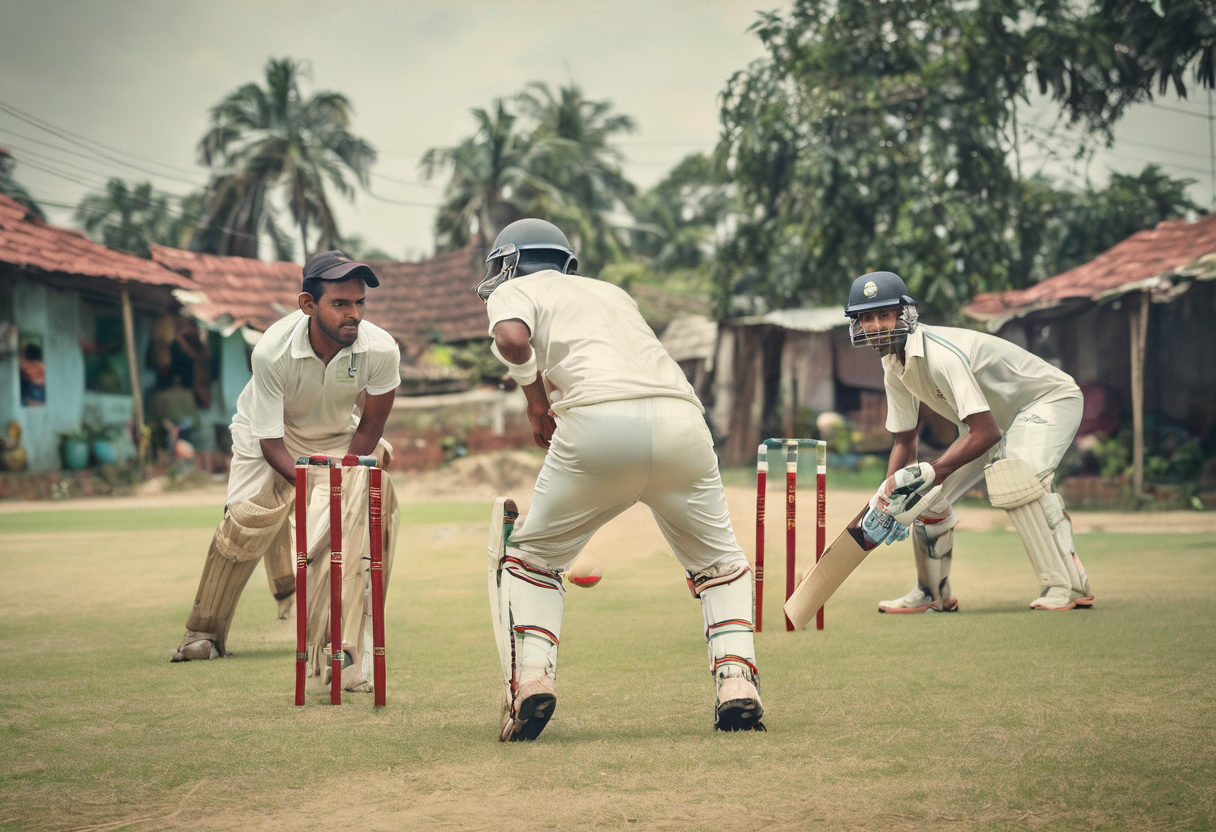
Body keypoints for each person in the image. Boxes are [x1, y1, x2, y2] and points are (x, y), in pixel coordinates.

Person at [481, 218, 763, 741]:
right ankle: (737, 681)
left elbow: (513, 340)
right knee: (721, 564)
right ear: (567, 263)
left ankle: (533, 678)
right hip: (683, 422)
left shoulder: (515, 289)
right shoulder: (611, 292)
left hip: (599, 423)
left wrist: (535, 399)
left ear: (510, 264)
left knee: (534, 559)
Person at [171, 251, 401, 696]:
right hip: (267, 433)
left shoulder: (380, 348)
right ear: (308, 305)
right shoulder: (272, 350)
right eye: (340, 304)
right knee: (247, 521)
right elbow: (271, 442)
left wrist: (343, 479)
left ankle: (346, 651)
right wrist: (309, 483)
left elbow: (371, 425)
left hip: (339, 436)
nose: (354, 314)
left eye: (359, 303)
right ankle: (204, 633)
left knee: (351, 532)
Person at [847, 271, 1093, 613]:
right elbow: (904, 441)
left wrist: (933, 472)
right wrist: (879, 503)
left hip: (1048, 400)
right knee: (925, 500)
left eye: (884, 315)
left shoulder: (940, 354)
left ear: (904, 314)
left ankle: (1064, 585)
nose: (875, 326)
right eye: (866, 317)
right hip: (992, 421)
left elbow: (986, 433)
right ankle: (932, 591)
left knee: (1012, 476)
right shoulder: (893, 364)